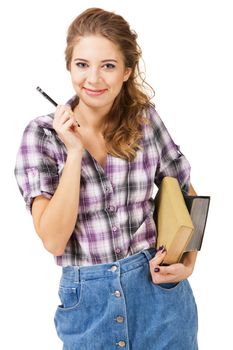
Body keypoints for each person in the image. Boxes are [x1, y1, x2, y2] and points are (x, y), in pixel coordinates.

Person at [14, 7, 198, 350]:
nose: (93, 79)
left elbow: (187, 192)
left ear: (127, 71)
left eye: (108, 66)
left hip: (159, 294)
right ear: (69, 66)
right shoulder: (41, 135)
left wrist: (189, 261)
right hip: (89, 302)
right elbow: (54, 240)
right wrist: (74, 152)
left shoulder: (144, 119)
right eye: (82, 65)